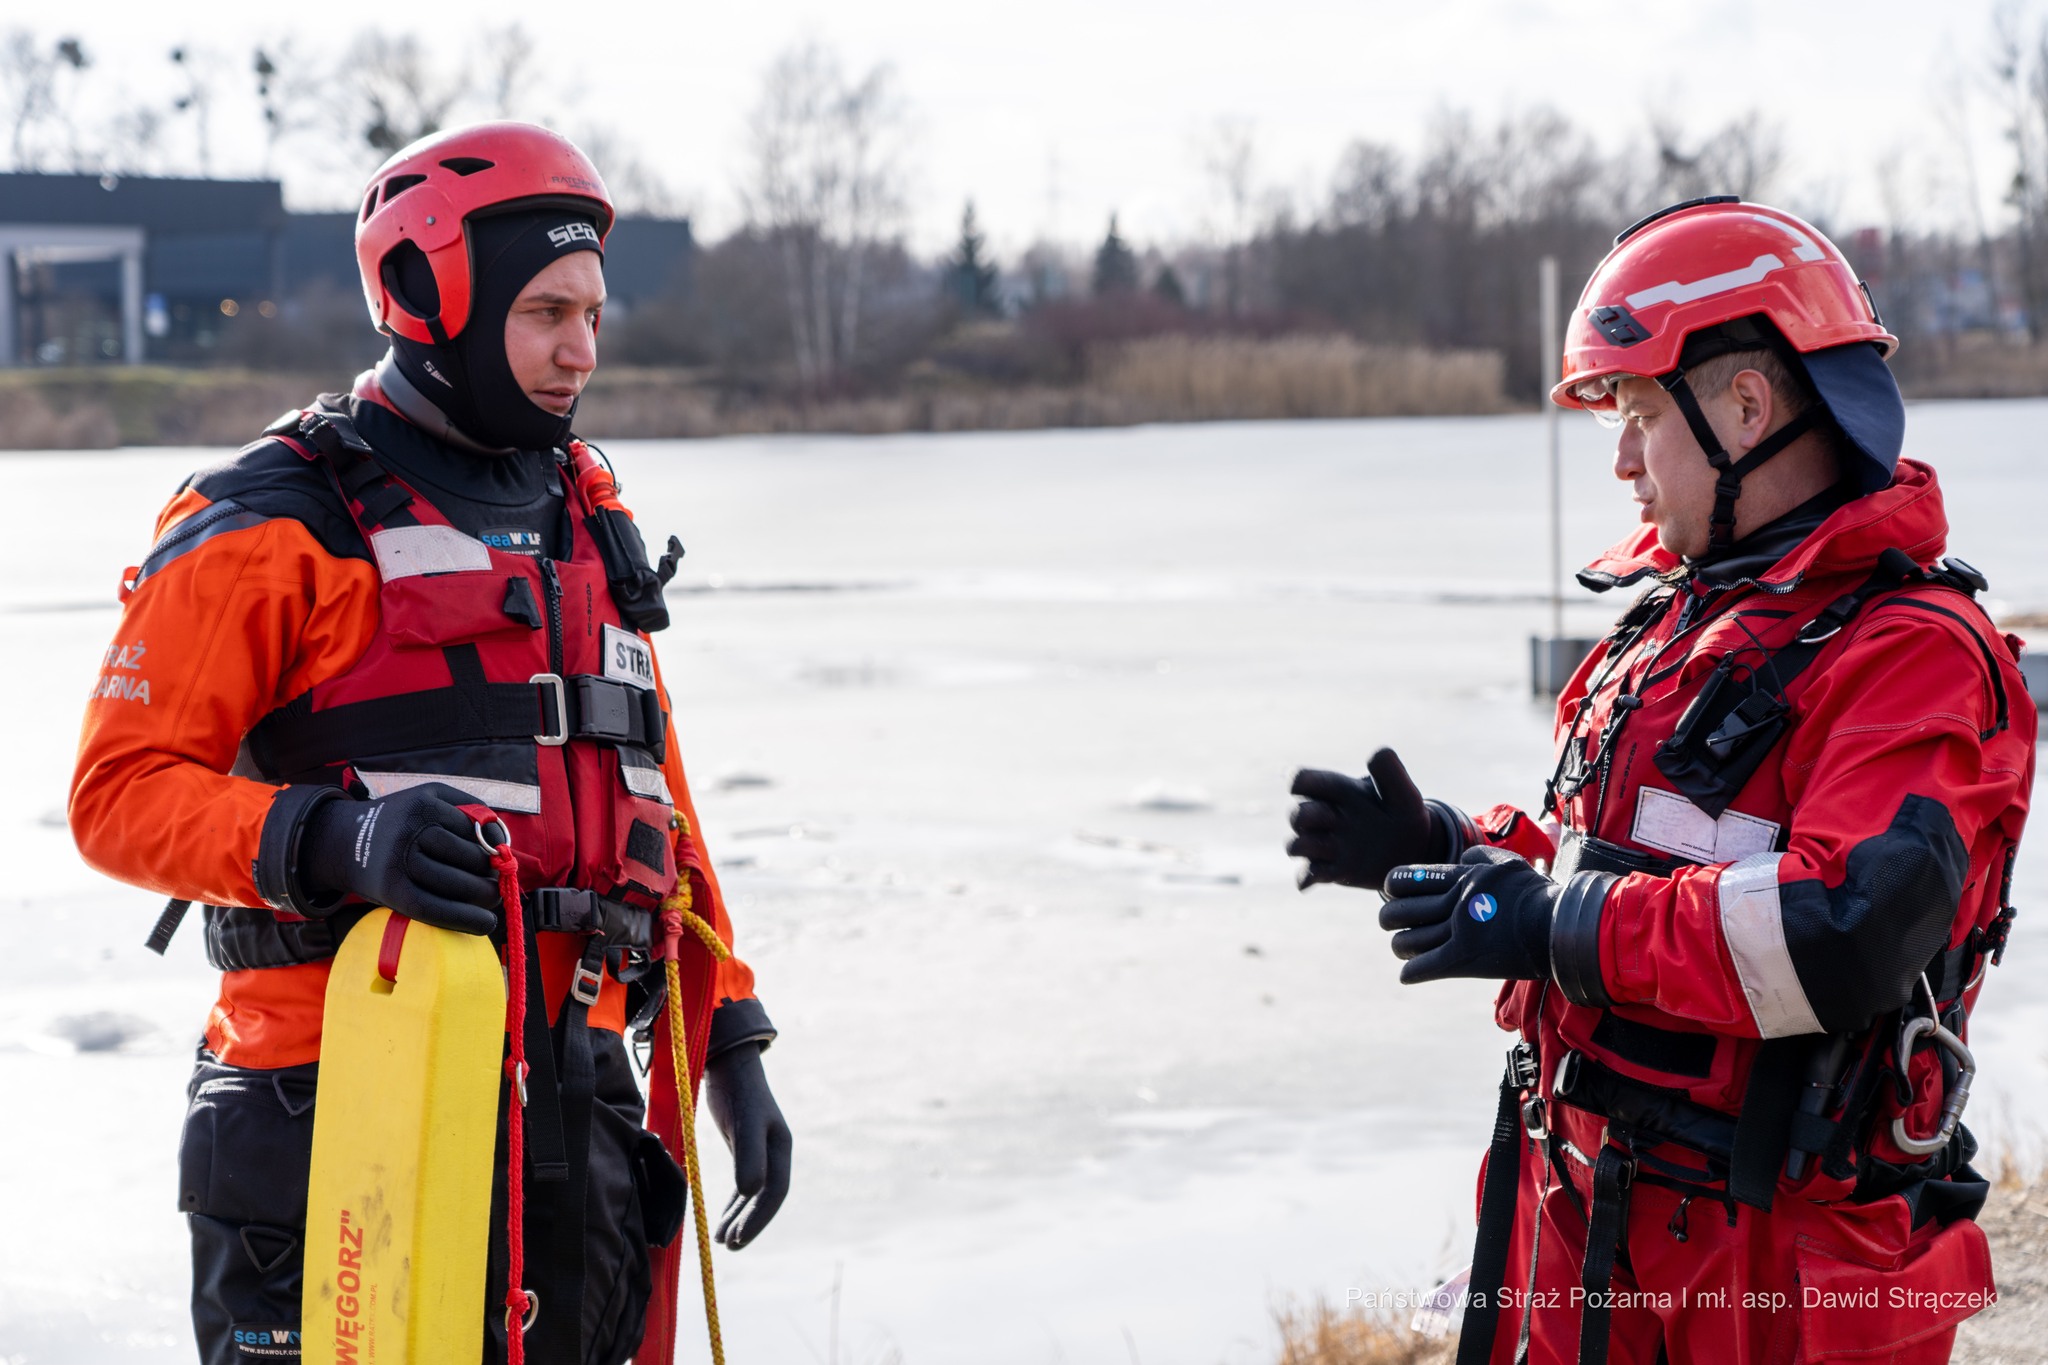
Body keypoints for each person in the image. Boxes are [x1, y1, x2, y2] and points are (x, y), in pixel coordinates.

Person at [68, 122, 792, 1365]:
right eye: (544, 312)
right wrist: (334, 837)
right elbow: (117, 798)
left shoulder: (582, 516)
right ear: (426, 299)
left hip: (578, 1117)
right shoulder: (269, 520)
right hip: (334, 1113)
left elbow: (646, 792)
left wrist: (723, 1036)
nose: (581, 352)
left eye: (593, 315)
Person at [1287, 197, 2034, 1364]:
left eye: (1639, 415)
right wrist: (1452, 851)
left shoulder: (1909, 652)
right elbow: (1623, 866)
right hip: (1582, 1220)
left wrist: (1547, 924)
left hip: (1766, 1281)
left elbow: (1841, 930)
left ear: (1747, 406)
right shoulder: (1676, 620)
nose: (1623, 462)